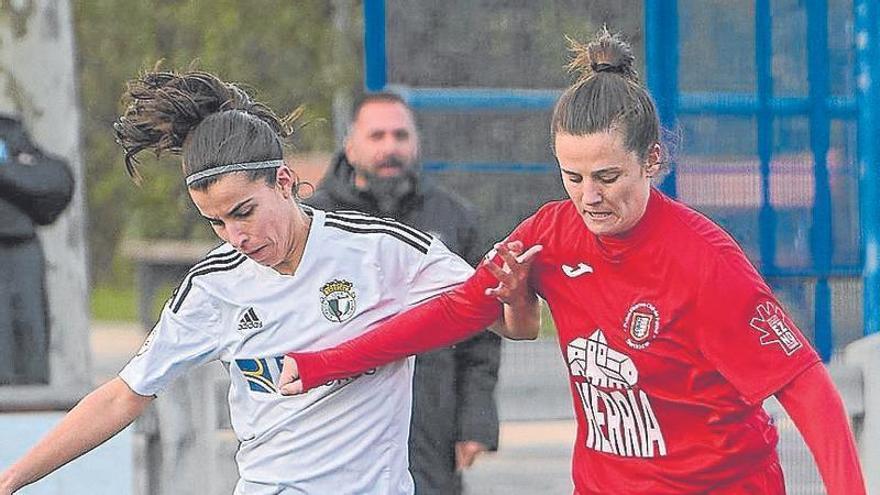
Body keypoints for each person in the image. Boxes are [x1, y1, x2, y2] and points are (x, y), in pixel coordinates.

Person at [279, 29, 867, 494]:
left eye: (607, 177)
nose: (589, 196)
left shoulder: (705, 260)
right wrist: (321, 363)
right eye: (573, 176)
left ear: (652, 159)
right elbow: (454, 312)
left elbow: (808, 389)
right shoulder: (551, 234)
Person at [0, 70, 491, 495]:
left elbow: (495, 310)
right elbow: (122, 395)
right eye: (215, 222)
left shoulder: (380, 249)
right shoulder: (214, 286)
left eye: (244, 212)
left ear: (282, 180)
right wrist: (14, 477)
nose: (235, 236)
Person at [306, 92, 500, 494]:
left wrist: (475, 421)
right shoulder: (314, 221)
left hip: (429, 417)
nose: (390, 147)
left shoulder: (453, 218)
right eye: (376, 136)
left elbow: (482, 332)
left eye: (400, 135)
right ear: (351, 145)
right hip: (339, 415)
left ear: (416, 143)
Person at [0, 114, 74, 385]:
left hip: (19, 251)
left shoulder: (8, 130)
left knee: (27, 357)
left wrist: (5, 169)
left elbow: (55, 184)